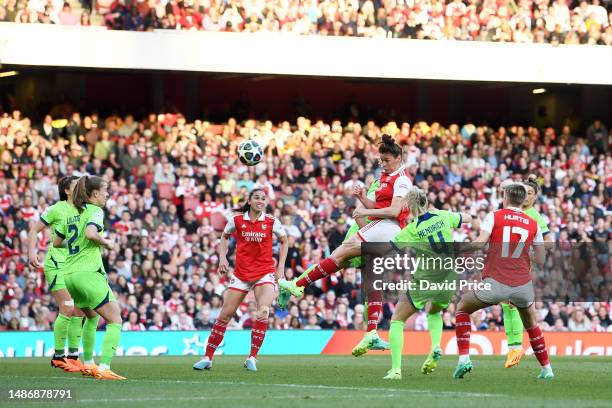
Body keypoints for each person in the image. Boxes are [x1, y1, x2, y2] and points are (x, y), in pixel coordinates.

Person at [280, 134, 411, 357]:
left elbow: (394, 211)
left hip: (388, 228)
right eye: (381, 161)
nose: (384, 164)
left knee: (341, 253)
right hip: (380, 227)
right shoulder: (385, 177)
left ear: (399, 158)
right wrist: (362, 199)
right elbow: (378, 205)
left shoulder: (403, 180)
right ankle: (371, 333)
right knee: (372, 279)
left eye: (387, 160)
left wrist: (365, 212)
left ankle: (298, 284)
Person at [453, 183, 553, 380]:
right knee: (532, 324)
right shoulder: (533, 223)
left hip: (496, 282)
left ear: (506, 198)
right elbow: (541, 259)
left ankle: (464, 359)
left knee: (463, 307)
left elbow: (480, 242)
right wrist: (523, 253)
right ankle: (547, 368)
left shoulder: (495, 215)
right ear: (523, 199)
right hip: (523, 285)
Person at [193, 188, 288, 372]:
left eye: (263, 198)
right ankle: (208, 357)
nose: (260, 201)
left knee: (263, 312)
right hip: (241, 274)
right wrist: (223, 257)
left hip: (264, 272)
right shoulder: (236, 220)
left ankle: (252, 357)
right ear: (250, 202)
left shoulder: (271, 221)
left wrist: (281, 266)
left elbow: (285, 241)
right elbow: (224, 236)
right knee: (224, 315)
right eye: (257, 198)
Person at [384, 187, 472, 379]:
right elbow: (467, 217)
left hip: (427, 277)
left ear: (409, 207)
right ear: (426, 202)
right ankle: (435, 346)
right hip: (449, 276)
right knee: (434, 311)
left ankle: (396, 369)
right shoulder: (442, 215)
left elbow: (390, 248)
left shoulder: (413, 229)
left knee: (397, 319)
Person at [54, 175, 125, 380]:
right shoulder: (95, 211)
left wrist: (76, 249)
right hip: (87, 273)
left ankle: (88, 364)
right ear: (94, 194)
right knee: (115, 319)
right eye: (105, 190)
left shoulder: (70, 213)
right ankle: (104, 367)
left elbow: (57, 242)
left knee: (92, 317)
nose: (107, 194)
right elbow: (92, 234)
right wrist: (108, 243)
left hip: (69, 275)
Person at [28, 176, 88, 372]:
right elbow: (34, 230)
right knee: (68, 307)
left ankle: (72, 356)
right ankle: (58, 356)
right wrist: (32, 252)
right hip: (57, 264)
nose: (81, 188)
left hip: (76, 265)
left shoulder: (85, 210)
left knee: (80, 309)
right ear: (67, 191)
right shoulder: (55, 209)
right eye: (76, 186)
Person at [501, 174, 555, 368]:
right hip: (503, 263)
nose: (526, 196)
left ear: (534, 198)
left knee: (514, 305)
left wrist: (528, 252)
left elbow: (548, 243)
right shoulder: (512, 211)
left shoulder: (534, 216)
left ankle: (516, 347)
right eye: (524, 192)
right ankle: (513, 347)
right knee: (507, 306)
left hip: (519, 267)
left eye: (530, 193)